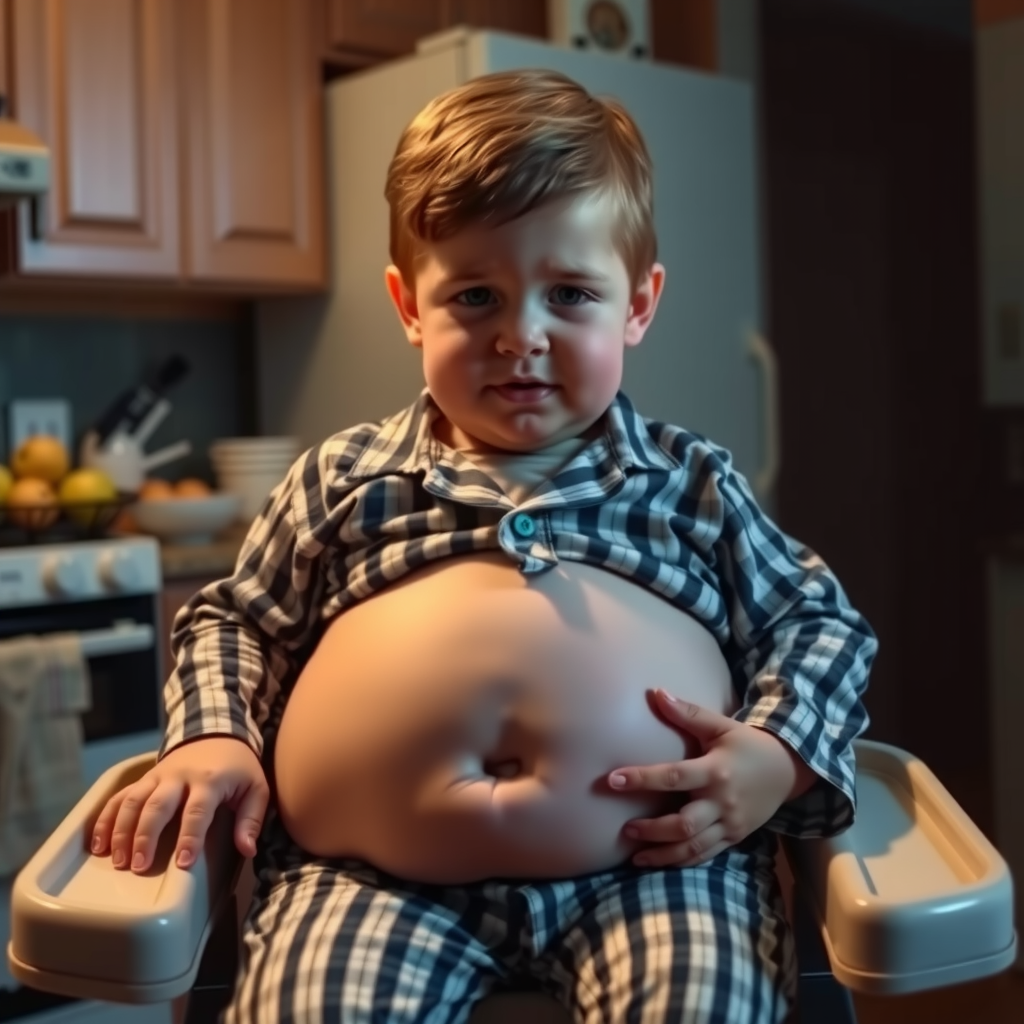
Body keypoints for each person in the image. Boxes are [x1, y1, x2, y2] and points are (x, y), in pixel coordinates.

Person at [90, 68, 876, 1024]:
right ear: (409, 305)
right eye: (474, 296)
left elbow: (816, 623)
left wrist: (777, 756)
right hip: (368, 882)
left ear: (637, 303)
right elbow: (234, 621)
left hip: (659, 875)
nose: (521, 336)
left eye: (571, 294)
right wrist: (215, 734)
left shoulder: (691, 484)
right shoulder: (343, 479)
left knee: (701, 1003)